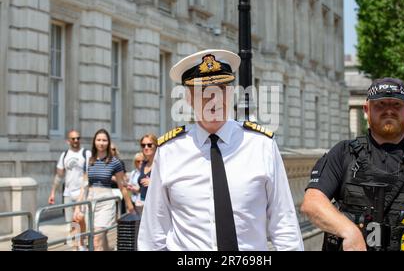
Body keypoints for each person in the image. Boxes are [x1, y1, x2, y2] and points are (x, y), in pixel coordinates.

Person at [138, 49, 303, 251]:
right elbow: (153, 233)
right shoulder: (170, 151)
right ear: (189, 99)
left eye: (221, 90)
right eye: (203, 93)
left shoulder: (261, 146)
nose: (214, 100)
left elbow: (284, 224)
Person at [301, 78, 404, 251]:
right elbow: (312, 203)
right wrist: (350, 231)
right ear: (367, 109)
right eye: (380, 104)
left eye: (396, 105)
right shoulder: (343, 153)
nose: (389, 110)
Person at [73, 129, 134, 251]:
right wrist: (78, 206)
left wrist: (129, 206)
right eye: (99, 140)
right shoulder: (89, 161)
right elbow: (84, 185)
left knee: (97, 237)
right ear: (94, 142)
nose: (101, 143)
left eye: (104, 140)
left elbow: (122, 186)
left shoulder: (115, 162)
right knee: (98, 238)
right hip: (90, 199)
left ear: (108, 142)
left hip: (106, 201)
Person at [48, 129, 90, 251]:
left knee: (80, 218)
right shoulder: (65, 155)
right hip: (68, 193)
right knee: (71, 221)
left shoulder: (85, 153)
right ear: (68, 141)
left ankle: (81, 242)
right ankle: (75, 246)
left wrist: (83, 192)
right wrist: (52, 193)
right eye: (73, 138)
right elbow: (59, 175)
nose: (76, 140)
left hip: (81, 192)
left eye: (78, 138)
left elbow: (87, 174)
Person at [135, 134, 158, 215]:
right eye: (143, 145)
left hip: (156, 205)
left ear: (156, 146)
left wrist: (152, 183)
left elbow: (168, 183)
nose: (146, 147)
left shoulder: (160, 163)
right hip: (142, 204)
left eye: (149, 145)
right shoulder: (144, 164)